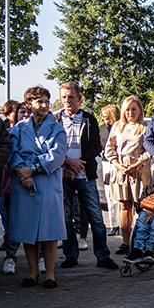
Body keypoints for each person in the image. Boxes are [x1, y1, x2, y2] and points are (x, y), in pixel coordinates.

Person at [7, 86, 67, 288]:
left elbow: (57, 156)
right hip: (24, 184)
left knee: (48, 230)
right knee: (28, 229)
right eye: (39, 102)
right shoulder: (19, 128)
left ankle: (49, 273)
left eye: (46, 102)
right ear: (29, 105)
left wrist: (32, 169)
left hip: (47, 183)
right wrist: (21, 172)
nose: (44, 106)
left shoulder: (57, 128)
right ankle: (32, 272)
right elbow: (11, 152)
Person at [55, 81, 118, 270]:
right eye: (64, 97)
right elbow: (51, 147)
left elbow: (96, 147)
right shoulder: (55, 120)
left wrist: (78, 163)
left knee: (96, 218)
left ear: (79, 99)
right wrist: (66, 162)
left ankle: (102, 256)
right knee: (65, 219)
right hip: (62, 175)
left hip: (85, 175)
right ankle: (71, 255)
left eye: (71, 97)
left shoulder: (88, 119)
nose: (67, 101)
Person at [103, 96, 152, 254]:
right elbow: (109, 148)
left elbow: (150, 150)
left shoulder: (145, 127)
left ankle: (137, 242)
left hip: (139, 172)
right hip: (122, 172)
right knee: (124, 206)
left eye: (133, 109)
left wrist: (137, 164)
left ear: (140, 110)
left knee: (140, 207)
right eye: (127, 109)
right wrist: (117, 164)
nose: (130, 112)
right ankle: (125, 242)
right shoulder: (117, 126)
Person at [0, 101, 25, 275]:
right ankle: (10, 256)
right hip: (8, 182)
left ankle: (39, 258)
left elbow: (5, 147)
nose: (25, 115)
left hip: (25, 180)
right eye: (21, 112)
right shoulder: (9, 130)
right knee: (9, 220)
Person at [99, 104, 121, 236]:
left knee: (122, 196)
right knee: (110, 194)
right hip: (106, 164)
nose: (104, 119)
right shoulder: (101, 129)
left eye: (106, 117)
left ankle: (125, 224)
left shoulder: (121, 127)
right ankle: (113, 224)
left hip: (121, 163)